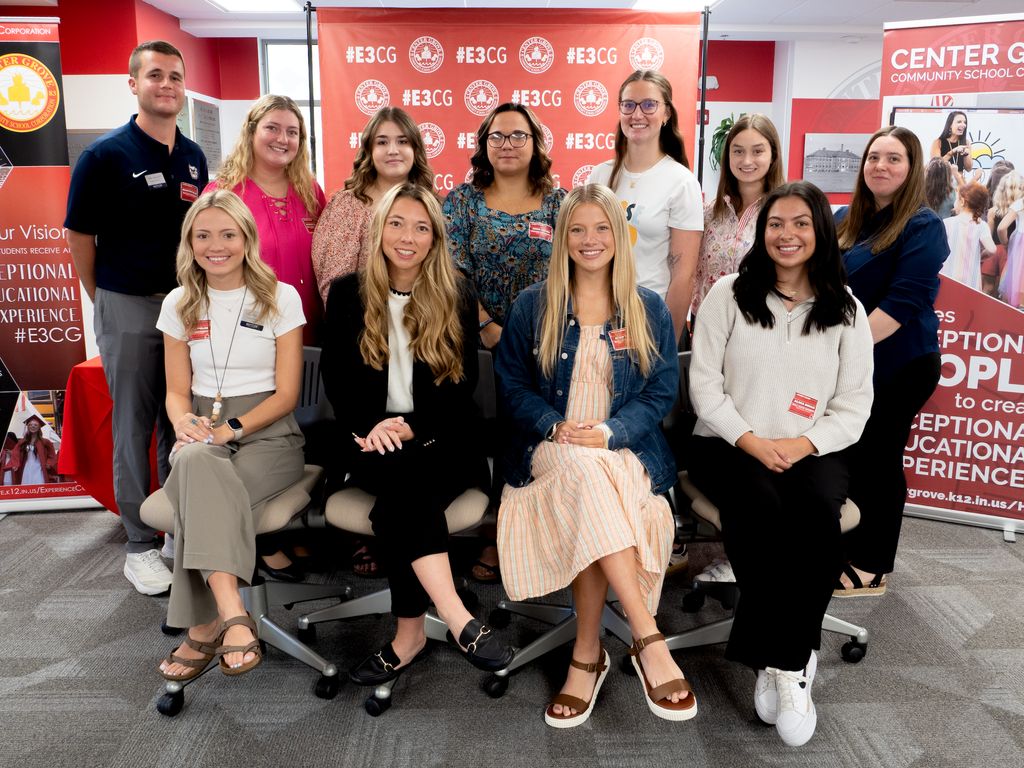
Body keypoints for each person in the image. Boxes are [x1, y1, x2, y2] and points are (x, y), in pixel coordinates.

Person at [497, 184, 694, 728]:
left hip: (623, 447)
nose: (589, 240)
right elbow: (511, 384)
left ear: (619, 237)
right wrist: (556, 425)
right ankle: (648, 637)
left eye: (601, 228)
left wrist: (609, 431)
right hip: (550, 445)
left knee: (591, 482)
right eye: (577, 229)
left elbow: (660, 390)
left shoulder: (647, 306)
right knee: (583, 475)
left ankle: (588, 655)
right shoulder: (533, 304)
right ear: (562, 238)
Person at [688, 181, 874, 747]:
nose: (786, 235)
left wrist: (802, 445)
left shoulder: (846, 309)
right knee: (761, 506)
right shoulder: (727, 294)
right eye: (775, 224)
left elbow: (855, 404)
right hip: (728, 443)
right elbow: (704, 387)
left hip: (813, 446)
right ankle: (793, 656)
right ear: (761, 232)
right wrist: (750, 439)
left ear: (820, 230)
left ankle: (783, 664)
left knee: (817, 507)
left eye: (799, 223)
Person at [322, 183, 515, 687]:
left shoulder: (456, 291)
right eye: (397, 223)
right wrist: (373, 427)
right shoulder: (346, 293)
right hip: (373, 441)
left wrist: (411, 426)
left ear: (435, 237)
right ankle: (458, 619)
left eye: (421, 227)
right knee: (403, 479)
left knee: (402, 491)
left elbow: (462, 386)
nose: (408, 237)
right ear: (379, 228)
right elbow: (339, 383)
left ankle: (409, 636)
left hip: (443, 438)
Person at [65, 40, 208, 596]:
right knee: (134, 424)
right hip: (126, 302)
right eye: (155, 75)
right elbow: (79, 234)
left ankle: (173, 528)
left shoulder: (193, 155)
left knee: (183, 421)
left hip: (185, 305)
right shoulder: (103, 156)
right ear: (134, 84)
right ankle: (139, 542)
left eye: (175, 76)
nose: (167, 85)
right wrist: (101, 296)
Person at [155, 189, 306, 682]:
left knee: (199, 493)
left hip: (268, 434)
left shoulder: (281, 296)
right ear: (189, 242)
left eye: (227, 234)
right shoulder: (179, 302)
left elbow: (287, 394)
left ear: (247, 239)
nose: (215, 245)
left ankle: (203, 629)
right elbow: (177, 392)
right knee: (196, 464)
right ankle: (232, 613)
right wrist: (183, 422)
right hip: (201, 430)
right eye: (203, 235)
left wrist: (231, 430)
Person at [443, 102, 565, 583]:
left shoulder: (560, 203)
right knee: (485, 436)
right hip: (474, 341)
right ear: (483, 145)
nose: (507, 144)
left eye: (518, 135)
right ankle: (490, 534)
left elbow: (576, 266)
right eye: (497, 136)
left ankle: (527, 535)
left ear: (536, 144)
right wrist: (488, 326)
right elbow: (449, 271)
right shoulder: (462, 201)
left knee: (535, 437)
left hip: (548, 341)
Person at [835, 125, 949, 597]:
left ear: (911, 168)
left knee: (879, 458)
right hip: (852, 365)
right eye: (874, 157)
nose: (881, 166)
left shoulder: (923, 225)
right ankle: (848, 548)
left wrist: (839, 352)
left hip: (901, 363)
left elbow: (902, 306)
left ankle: (872, 564)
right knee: (853, 458)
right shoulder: (846, 219)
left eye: (894, 159)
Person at [588, 70, 703, 342]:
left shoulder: (681, 182)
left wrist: (668, 344)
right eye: (628, 105)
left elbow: (683, 277)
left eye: (649, 105)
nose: (637, 114)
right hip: (597, 318)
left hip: (649, 324)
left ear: (666, 114)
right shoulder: (599, 176)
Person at [207, 95, 325, 345]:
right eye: (272, 128)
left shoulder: (311, 192)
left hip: (310, 331)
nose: (283, 139)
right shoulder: (223, 193)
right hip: (247, 334)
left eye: (292, 132)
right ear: (251, 131)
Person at [312, 107, 433, 304]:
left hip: (429, 325)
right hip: (364, 328)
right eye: (382, 142)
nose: (393, 150)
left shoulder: (433, 205)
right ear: (369, 150)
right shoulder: (347, 206)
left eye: (403, 141)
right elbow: (333, 292)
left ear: (415, 149)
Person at [692, 114, 784, 319]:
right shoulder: (708, 214)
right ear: (728, 156)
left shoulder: (784, 217)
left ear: (773, 155)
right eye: (738, 151)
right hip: (709, 326)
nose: (747, 160)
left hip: (761, 328)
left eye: (758, 151)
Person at [942, 182, 995, 291]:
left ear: (962, 201)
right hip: (970, 281)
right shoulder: (981, 225)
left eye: (956, 199)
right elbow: (992, 249)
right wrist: (981, 255)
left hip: (947, 276)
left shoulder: (947, 223)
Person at [984, 170, 1022, 297]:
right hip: (1011, 253)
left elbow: (988, 236)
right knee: (1008, 292)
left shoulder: (993, 211)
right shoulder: (1019, 210)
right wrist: (1006, 243)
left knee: (988, 289)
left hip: (994, 251)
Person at [11, 415, 59, 485]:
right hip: (27, 467)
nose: (33, 426)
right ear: (28, 427)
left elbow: (52, 455)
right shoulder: (23, 441)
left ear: (39, 427)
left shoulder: (45, 442)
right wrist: (16, 463)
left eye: (35, 425)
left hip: (39, 467)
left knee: (39, 484)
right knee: (26, 484)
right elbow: (15, 452)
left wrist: (49, 463)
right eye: (30, 425)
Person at [930, 110, 974, 175]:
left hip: (960, 183)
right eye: (959, 122)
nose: (963, 125)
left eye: (965, 122)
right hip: (942, 183)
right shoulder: (938, 142)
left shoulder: (966, 143)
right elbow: (935, 166)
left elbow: (969, 169)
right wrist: (952, 152)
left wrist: (966, 155)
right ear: (950, 125)